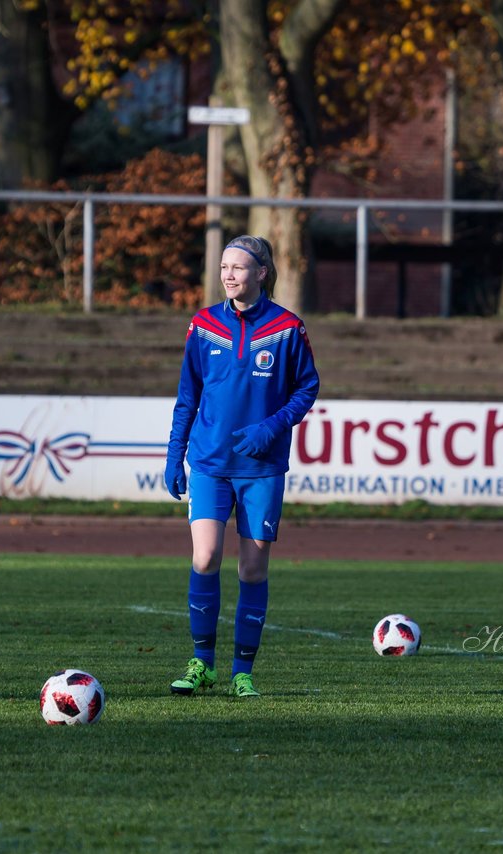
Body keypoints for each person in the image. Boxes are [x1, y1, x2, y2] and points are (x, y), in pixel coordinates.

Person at [163, 235, 320, 698]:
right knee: (205, 556)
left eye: (238, 267)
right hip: (210, 461)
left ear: (262, 273)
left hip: (262, 466)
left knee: (252, 569)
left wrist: (270, 428)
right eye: (224, 267)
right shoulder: (203, 324)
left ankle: (242, 672)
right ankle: (201, 663)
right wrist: (176, 453)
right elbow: (188, 394)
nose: (228, 274)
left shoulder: (289, 328)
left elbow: (306, 389)